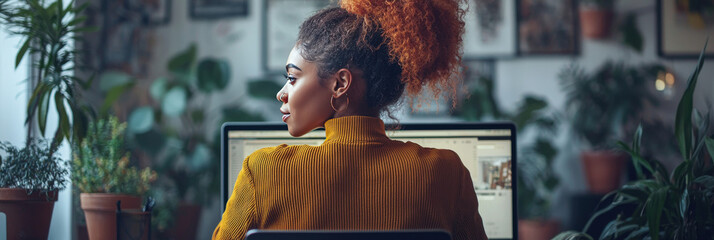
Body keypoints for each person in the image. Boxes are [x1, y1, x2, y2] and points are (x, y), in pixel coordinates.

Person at [213, 0, 488, 239]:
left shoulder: (262, 171)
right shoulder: (447, 172)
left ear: (340, 83)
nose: (281, 93)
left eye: (292, 78)